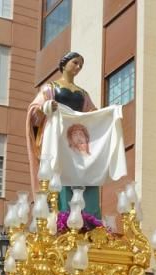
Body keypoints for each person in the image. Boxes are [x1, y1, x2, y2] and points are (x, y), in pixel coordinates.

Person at [27, 51, 98, 209]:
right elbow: (34, 110)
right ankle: (59, 210)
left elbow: (91, 111)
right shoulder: (50, 88)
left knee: (81, 175)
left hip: (76, 140)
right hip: (57, 137)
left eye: (80, 65)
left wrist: (103, 116)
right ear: (64, 64)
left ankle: (85, 213)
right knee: (59, 171)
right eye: (75, 62)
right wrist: (46, 107)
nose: (78, 67)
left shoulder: (82, 93)